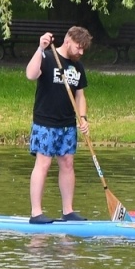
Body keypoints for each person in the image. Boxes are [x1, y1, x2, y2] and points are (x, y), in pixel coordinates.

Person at [24, 26, 93, 223]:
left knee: (67, 164)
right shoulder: (47, 57)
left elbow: (80, 95)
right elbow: (30, 74)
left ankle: (68, 211)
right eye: (79, 47)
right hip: (45, 122)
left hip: (67, 124)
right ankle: (36, 213)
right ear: (68, 40)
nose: (81, 52)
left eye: (83, 50)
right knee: (43, 164)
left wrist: (83, 118)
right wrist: (39, 48)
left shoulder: (77, 67)